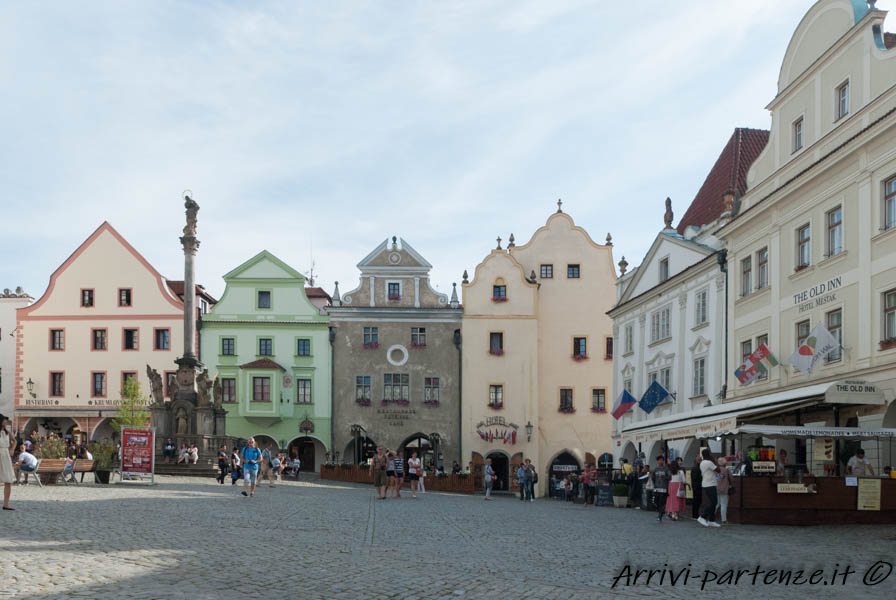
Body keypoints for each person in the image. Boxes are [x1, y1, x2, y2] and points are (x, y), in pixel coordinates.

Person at [698, 449, 721, 527]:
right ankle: (702, 517)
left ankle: (711, 520)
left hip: (706, 484)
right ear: (708, 454)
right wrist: (714, 460)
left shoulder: (702, 462)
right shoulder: (709, 462)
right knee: (714, 502)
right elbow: (718, 470)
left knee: (713, 502)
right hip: (710, 484)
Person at [0, 414, 16, 510]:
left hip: (5, 455)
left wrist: (12, 449)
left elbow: (14, 441)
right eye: (4, 420)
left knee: (8, 480)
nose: (5, 422)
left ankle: (6, 504)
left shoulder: (7, 432)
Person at [651, 455, 670, 522]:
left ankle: (660, 515)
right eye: (659, 460)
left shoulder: (666, 469)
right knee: (656, 502)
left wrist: (664, 477)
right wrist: (651, 477)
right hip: (656, 488)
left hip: (664, 488)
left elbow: (670, 477)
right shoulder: (655, 469)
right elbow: (653, 478)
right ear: (657, 461)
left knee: (662, 503)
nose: (660, 461)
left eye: (661, 460)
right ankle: (661, 512)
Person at [716, 458, 734, 524]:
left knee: (716, 504)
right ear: (725, 463)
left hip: (716, 488)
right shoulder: (727, 469)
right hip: (724, 489)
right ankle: (724, 520)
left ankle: (711, 517)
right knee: (723, 504)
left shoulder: (716, 469)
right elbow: (731, 478)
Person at [690, 455, 703, 520]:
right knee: (696, 501)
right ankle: (695, 515)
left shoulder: (696, 467)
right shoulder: (697, 468)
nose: (701, 461)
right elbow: (695, 478)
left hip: (696, 486)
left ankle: (695, 514)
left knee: (696, 501)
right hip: (697, 486)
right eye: (700, 460)